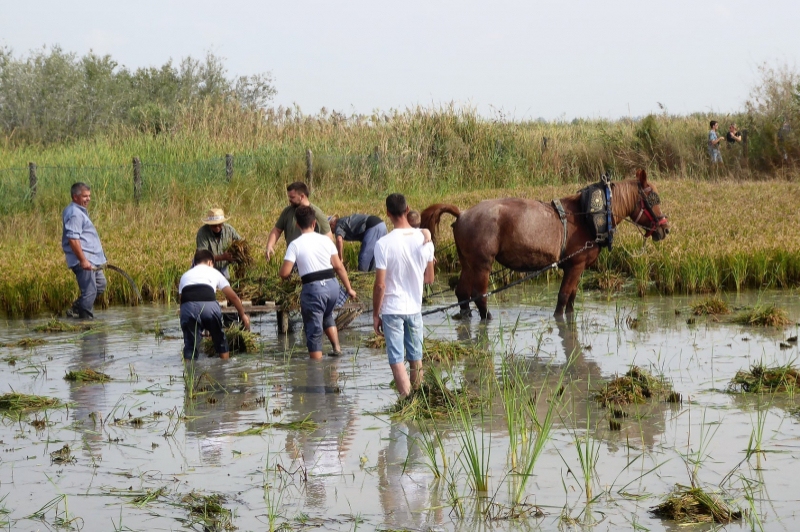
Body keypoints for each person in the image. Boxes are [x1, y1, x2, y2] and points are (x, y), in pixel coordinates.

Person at [372, 193, 435, 398]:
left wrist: (375, 313)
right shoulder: (425, 241)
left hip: (392, 309)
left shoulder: (383, 244)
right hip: (414, 308)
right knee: (416, 357)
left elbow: (380, 285)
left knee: (396, 359)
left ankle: (407, 400)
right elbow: (429, 279)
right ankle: (418, 398)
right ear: (408, 210)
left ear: (388, 213)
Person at [279, 206, 357, 360]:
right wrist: (349, 288)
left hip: (314, 289)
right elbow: (338, 266)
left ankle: (316, 368)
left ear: (297, 225)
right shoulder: (326, 240)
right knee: (327, 315)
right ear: (314, 223)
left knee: (313, 330)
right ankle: (337, 349)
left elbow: (284, 273)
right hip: (333, 286)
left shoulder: (295, 244)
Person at [179, 249, 250, 360]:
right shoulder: (214, 272)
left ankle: (189, 374)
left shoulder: (185, 276)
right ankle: (224, 367)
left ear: (195, 262)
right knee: (220, 340)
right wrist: (243, 315)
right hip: (209, 306)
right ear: (210, 263)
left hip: (188, 307)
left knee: (190, 346)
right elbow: (233, 297)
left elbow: (182, 300)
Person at [62, 182, 107, 319]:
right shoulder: (75, 214)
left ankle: (76, 310)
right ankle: (86, 322)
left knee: (100, 284)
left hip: (92, 260)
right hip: (83, 260)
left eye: (89, 196)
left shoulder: (78, 211)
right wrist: (83, 260)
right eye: (84, 196)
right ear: (75, 197)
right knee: (89, 291)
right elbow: (73, 239)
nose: (88, 199)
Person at [266, 182, 331, 260]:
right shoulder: (287, 212)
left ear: (302, 196)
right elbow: (277, 230)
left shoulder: (316, 214)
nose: (289, 200)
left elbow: (328, 236)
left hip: (311, 258)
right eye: (289, 197)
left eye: (292, 197)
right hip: (292, 257)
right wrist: (270, 245)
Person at [195, 208, 242, 280]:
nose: (217, 227)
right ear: (209, 224)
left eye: (219, 224)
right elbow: (202, 257)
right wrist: (222, 257)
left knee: (225, 285)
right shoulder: (203, 233)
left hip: (223, 268)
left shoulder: (229, 230)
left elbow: (240, 242)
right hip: (207, 269)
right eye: (214, 225)